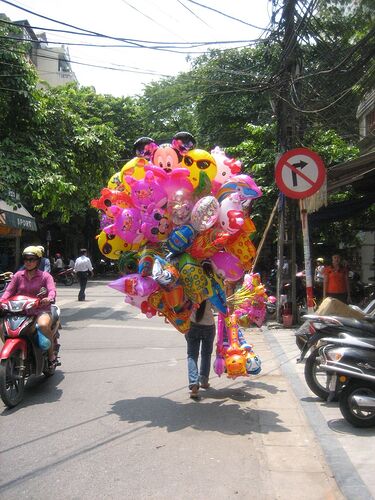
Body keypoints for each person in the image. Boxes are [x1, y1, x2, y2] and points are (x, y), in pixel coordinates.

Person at [0, 246, 57, 363]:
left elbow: (52, 290)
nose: (28, 262)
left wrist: (49, 298)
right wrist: (2, 301)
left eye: (32, 259)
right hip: (20, 311)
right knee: (2, 327)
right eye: (26, 260)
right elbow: (9, 291)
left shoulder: (45, 276)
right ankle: (12, 352)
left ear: (38, 261)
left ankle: (51, 355)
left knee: (43, 325)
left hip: (40, 311)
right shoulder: (18, 276)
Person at [185, 299, 216, 400]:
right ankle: (204, 381)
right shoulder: (211, 288)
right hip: (209, 326)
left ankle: (194, 384)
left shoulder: (190, 289)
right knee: (206, 354)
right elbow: (217, 308)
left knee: (192, 355)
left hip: (192, 324)